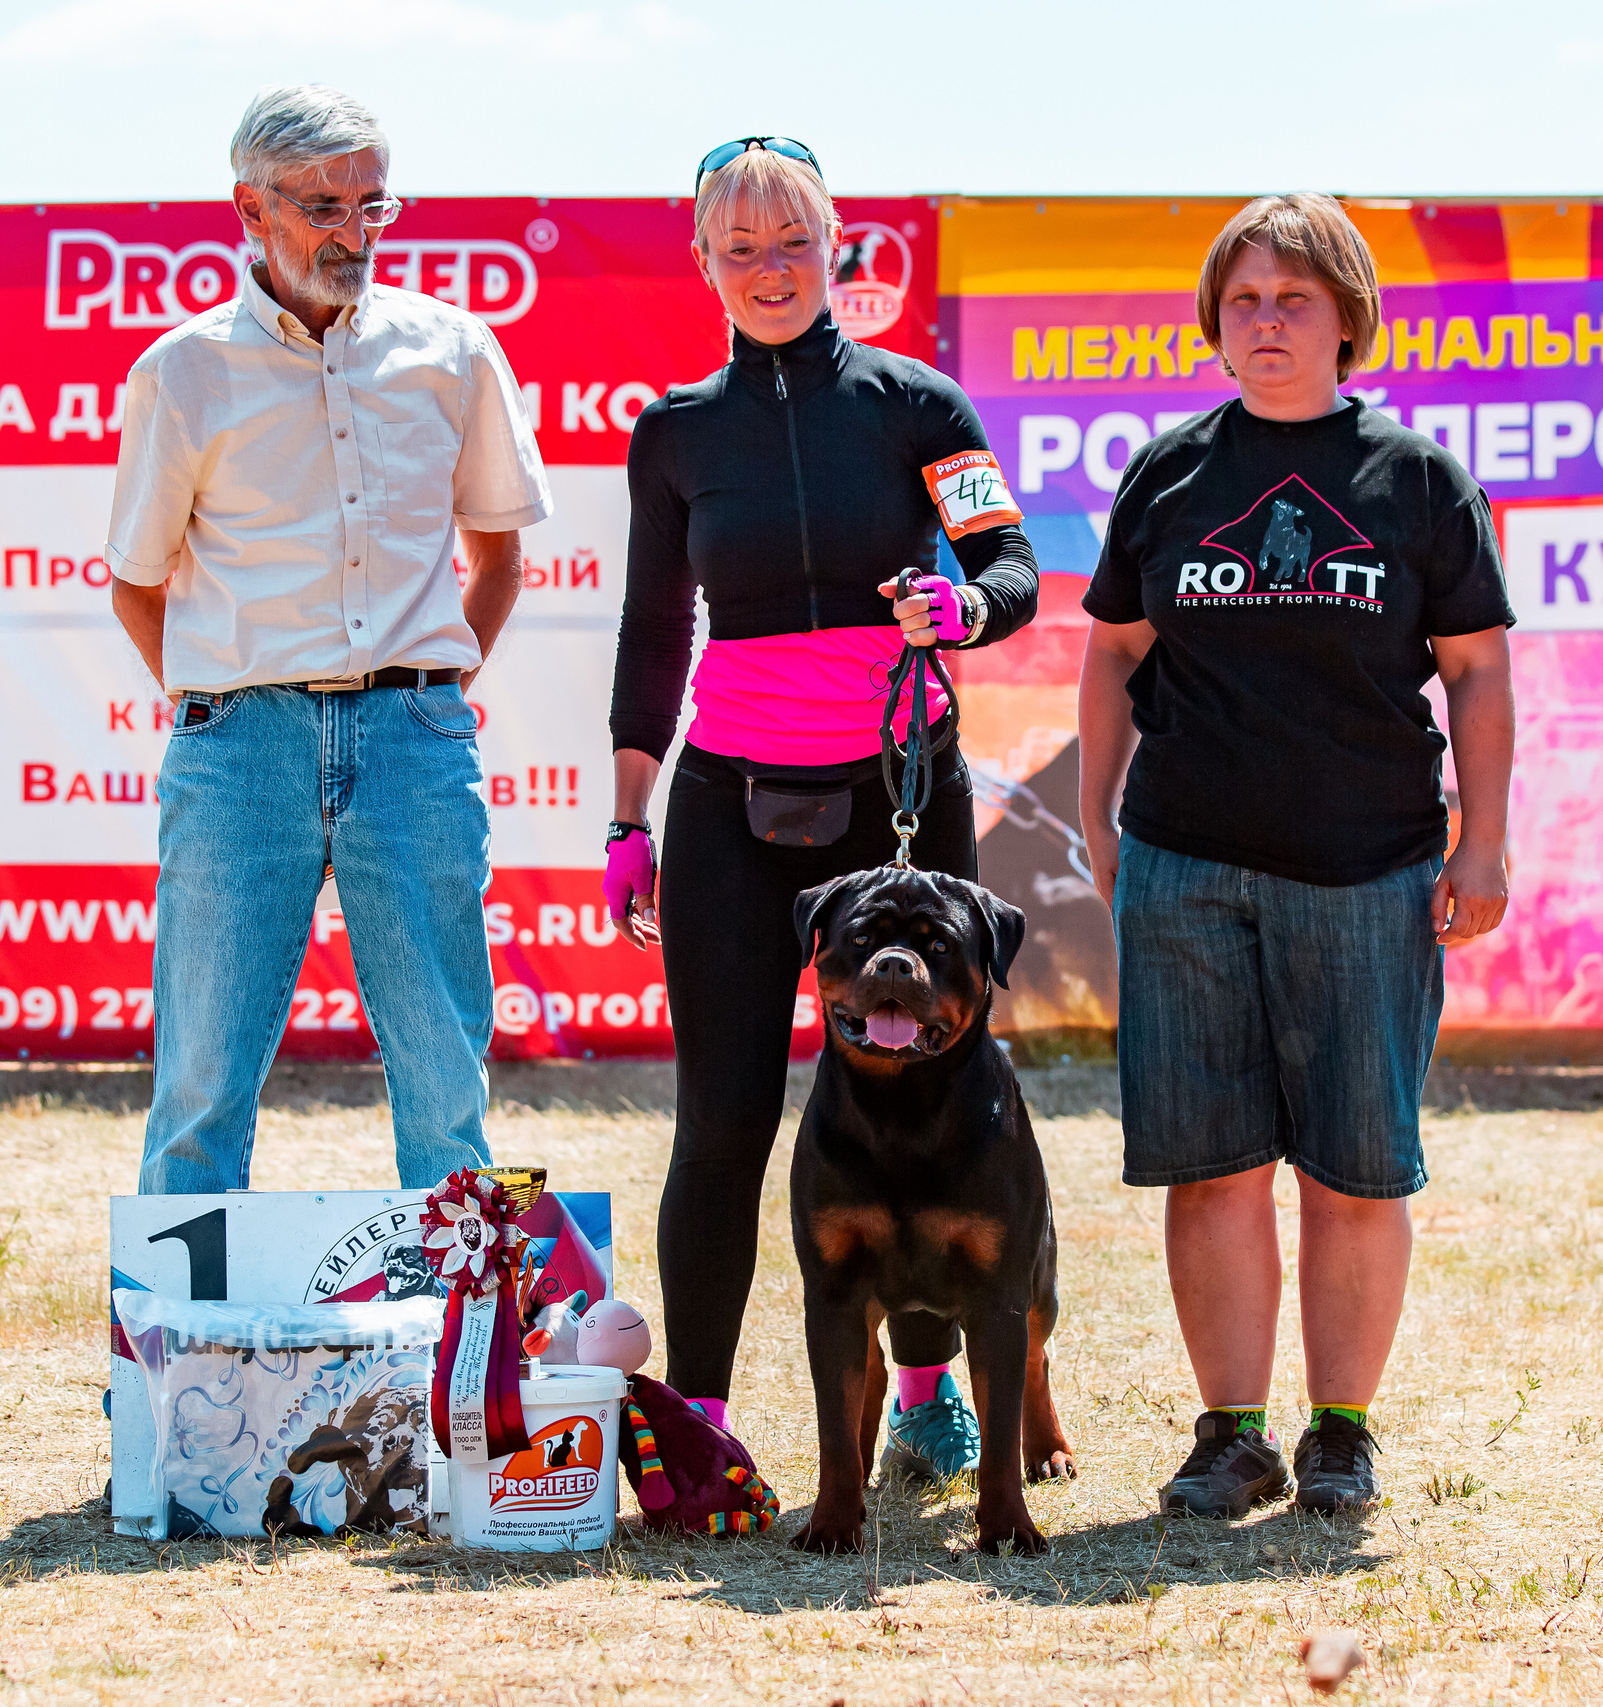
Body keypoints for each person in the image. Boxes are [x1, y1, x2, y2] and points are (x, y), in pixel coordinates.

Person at [602, 140, 1039, 1479]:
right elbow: (652, 630)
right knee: (723, 1120)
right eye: (740, 247)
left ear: (835, 244)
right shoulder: (675, 430)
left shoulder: (920, 406)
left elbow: (1010, 564)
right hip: (730, 807)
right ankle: (700, 1425)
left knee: (932, 1102)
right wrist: (628, 818)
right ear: (704, 262)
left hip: (898, 797)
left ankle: (922, 1392)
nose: (770, 269)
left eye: (792, 242)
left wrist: (962, 607)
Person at [1076, 194, 1515, 1518]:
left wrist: (1483, 842)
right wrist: (1097, 821)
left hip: (1368, 870)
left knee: (1353, 1169)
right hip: (1185, 866)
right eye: (1245, 300)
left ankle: (1340, 1434)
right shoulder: (1167, 473)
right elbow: (1112, 650)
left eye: (1294, 299)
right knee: (1210, 1167)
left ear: (1345, 320)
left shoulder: (1416, 479)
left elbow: (1478, 670)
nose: (1266, 322)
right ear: (1215, 322)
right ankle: (1230, 1435)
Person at [106, 86, 552, 1193]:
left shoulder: (454, 351)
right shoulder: (182, 372)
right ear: (249, 209)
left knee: (446, 1078)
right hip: (237, 748)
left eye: (373, 204)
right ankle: (174, 1308)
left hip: (414, 740)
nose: (354, 232)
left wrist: (428, 695)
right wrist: (223, 704)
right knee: (200, 1079)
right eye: (323, 207)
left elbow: (498, 560)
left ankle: (460, 1308)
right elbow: (136, 585)